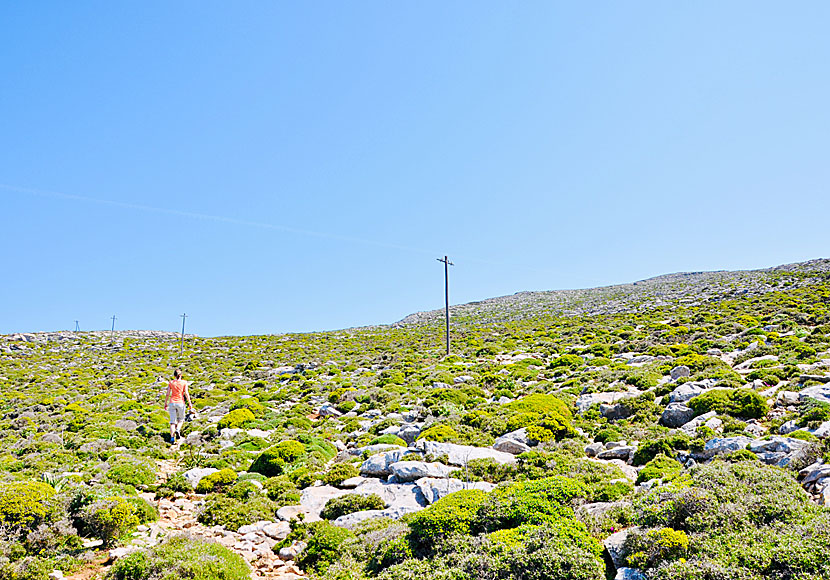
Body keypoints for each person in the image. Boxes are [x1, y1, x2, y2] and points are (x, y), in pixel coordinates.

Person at [164, 368, 194, 444]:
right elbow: (186, 393)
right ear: (181, 375)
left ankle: (172, 438)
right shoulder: (184, 382)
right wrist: (190, 404)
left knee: (172, 422)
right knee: (181, 419)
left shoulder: (171, 383)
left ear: (174, 375)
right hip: (180, 403)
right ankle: (178, 430)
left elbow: (167, 394)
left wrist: (165, 403)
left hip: (172, 403)